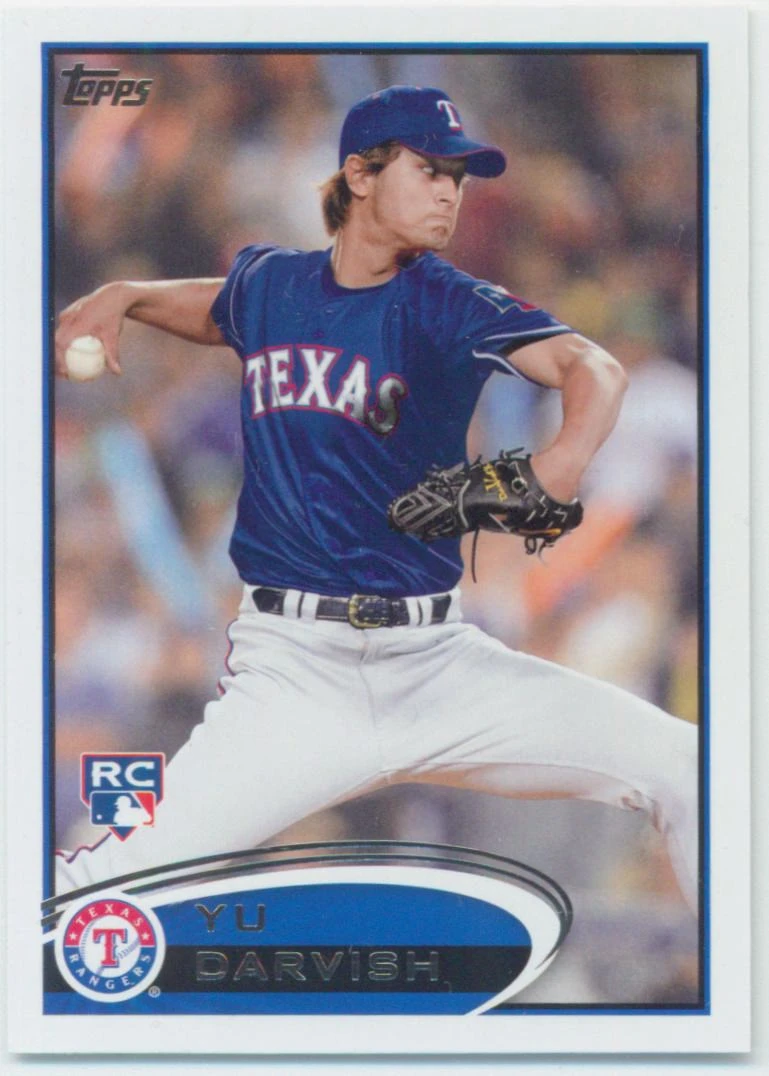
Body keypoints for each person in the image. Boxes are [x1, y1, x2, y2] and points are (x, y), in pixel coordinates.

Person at [54, 85, 697, 912]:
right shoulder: (271, 285)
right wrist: (129, 295)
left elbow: (593, 368)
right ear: (359, 175)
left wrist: (563, 461)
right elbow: (215, 308)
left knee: (687, 768)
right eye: (428, 170)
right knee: (98, 892)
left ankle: (728, 985)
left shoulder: (449, 301)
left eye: (456, 177)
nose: (449, 192)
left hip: (438, 665)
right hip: (295, 678)